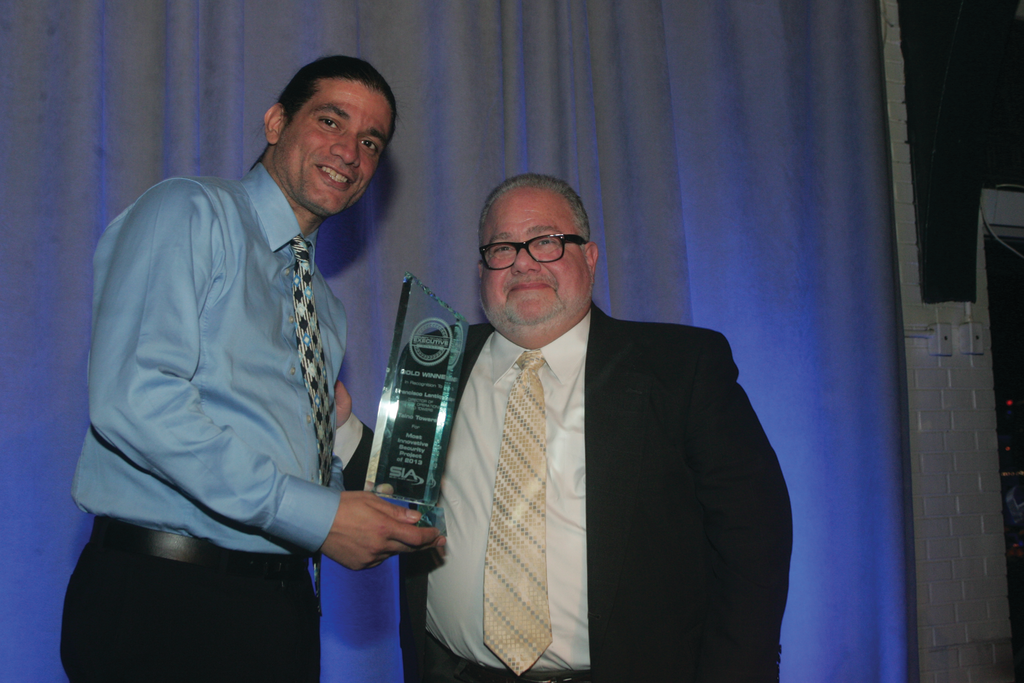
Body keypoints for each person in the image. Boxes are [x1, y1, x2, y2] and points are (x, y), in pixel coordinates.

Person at [60, 55, 443, 682]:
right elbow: (135, 398)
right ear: (275, 123)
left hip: (281, 609)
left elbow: (274, 446)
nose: (349, 151)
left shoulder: (324, 306)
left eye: (369, 141)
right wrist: (320, 519)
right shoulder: (191, 212)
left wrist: (359, 482)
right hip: (165, 603)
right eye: (330, 121)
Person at [395, 173, 793, 682]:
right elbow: (394, 477)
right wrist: (338, 427)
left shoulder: (682, 368)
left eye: (546, 241)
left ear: (589, 257)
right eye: (502, 247)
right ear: (481, 270)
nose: (522, 261)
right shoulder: (434, 362)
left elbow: (753, 538)